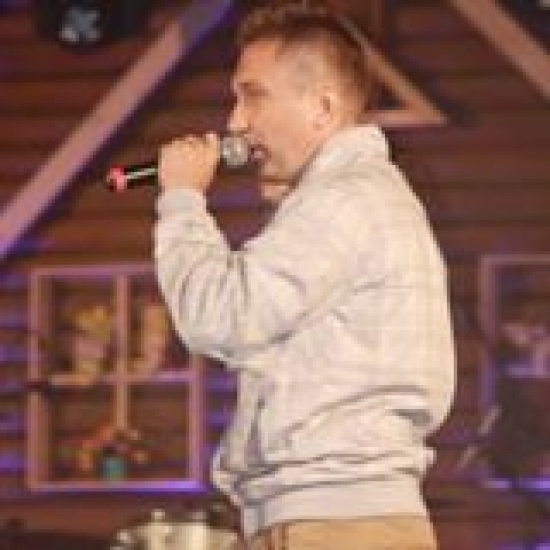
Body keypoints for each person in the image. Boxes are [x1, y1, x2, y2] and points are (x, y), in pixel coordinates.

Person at [154, 1, 456, 549]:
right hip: (324, 516)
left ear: (322, 108)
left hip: (339, 523)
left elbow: (220, 316)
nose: (235, 122)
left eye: (254, 96)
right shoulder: (345, 198)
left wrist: (181, 201)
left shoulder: (344, 200)